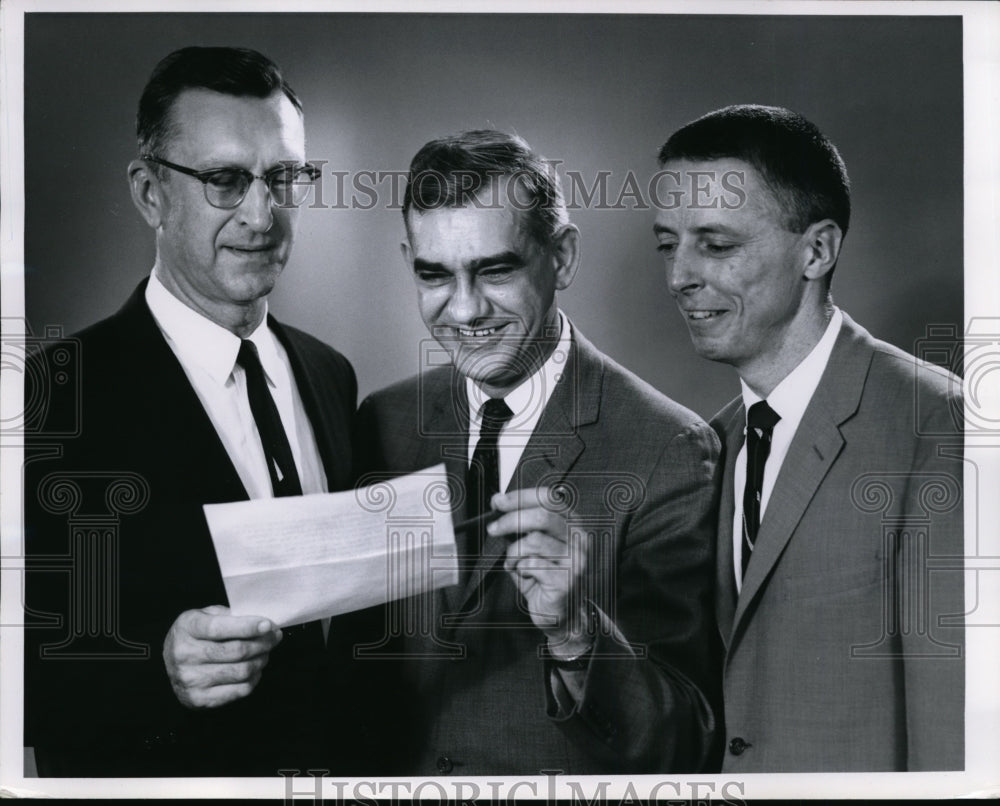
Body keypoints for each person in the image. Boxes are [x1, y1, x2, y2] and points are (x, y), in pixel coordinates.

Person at [23, 46, 356, 776]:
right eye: (226, 181)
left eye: (285, 178)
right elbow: (22, 672)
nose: (263, 215)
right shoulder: (48, 397)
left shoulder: (331, 375)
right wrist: (157, 668)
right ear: (149, 193)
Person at [351, 129, 721, 774]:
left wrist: (577, 631)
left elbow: (688, 739)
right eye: (434, 274)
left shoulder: (669, 449)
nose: (464, 311)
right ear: (409, 259)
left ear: (563, 256)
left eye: (495, 269)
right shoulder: (382, 421)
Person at [653, 104, 965, 772]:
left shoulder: (938, 427)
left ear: (816, 250)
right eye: (667, 244)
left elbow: (954, 737)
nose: (680, 275)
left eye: (716, 244)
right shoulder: (712, 444)